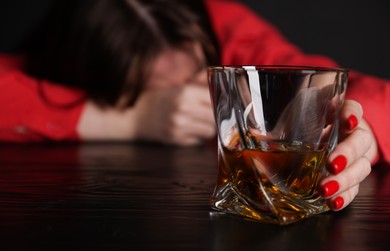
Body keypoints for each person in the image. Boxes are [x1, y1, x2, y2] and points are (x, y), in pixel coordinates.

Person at [0, 0, 388, 212]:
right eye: (160, 92)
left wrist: (356, 125)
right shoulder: (58, 59)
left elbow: (340, 87)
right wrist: (129, 121)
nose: (190, 101)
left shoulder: (223, 25)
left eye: (194, 79)